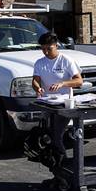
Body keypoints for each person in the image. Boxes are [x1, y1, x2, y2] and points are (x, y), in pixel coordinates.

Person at [32, 32, 83, 162]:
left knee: (56, 135)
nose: (46, 52)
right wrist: (38, 88)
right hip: (47, 104)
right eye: (43, 49)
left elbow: (79, 81)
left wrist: (63, 83)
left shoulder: (66, 60)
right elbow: (35, 80)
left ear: (56, 46)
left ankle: (64, 164)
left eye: (49, 49)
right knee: (47, 136)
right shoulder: (39, 63)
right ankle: (55, 164)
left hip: (63, 105)